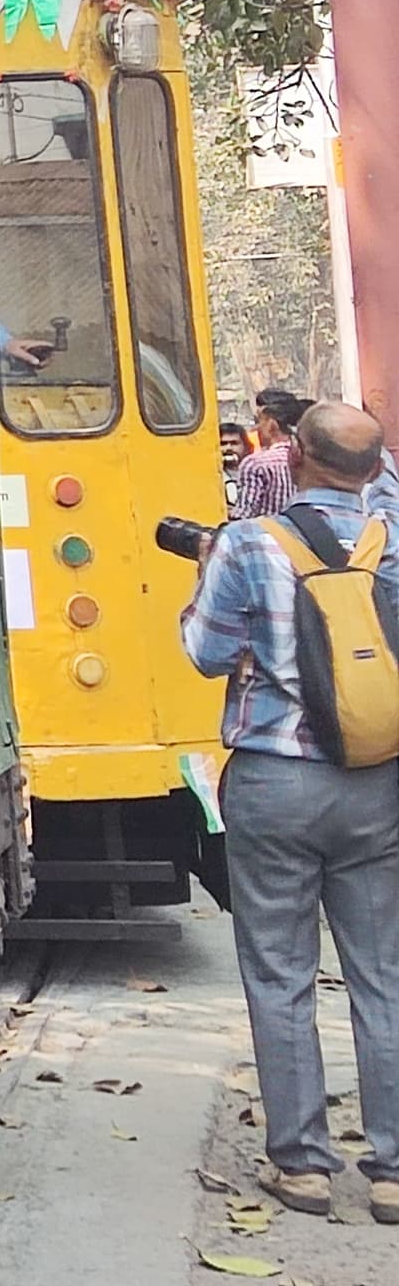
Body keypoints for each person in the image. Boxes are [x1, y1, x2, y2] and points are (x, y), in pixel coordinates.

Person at [181, 401, 399, 1220]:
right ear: (374, 471)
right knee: (382, 974)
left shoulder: (248, 544)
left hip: (274, 781)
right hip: (375, 781)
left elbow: (205, 653)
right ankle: (393, 1170)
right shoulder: (392, 542)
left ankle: (302, 1164)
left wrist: (206, 571)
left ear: (294, 458)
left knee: (280, 973)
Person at [235, 390, 311, 521]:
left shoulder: (255, 464)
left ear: (272, 424)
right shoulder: (312, 460)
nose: (256, 428)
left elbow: (244, 516)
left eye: (258, 421)